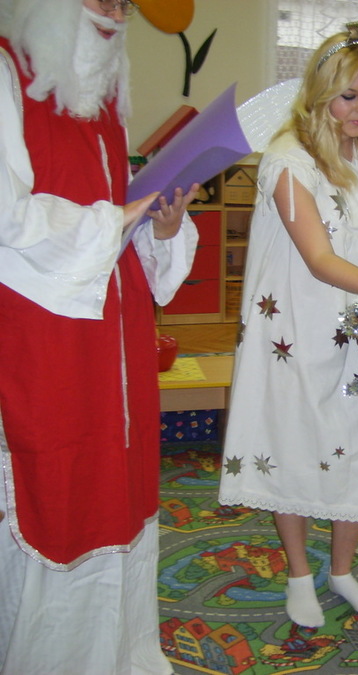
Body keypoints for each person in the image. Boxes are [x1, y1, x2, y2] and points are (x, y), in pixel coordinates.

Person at [217, 16, 358, 629]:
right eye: (348, 96)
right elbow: (319, 258)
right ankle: (299, 574)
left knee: (354, 448)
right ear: (321, 94)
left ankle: (342, 571)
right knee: (292, 446)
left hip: (354, 335)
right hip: (294, 334)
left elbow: (356, 242)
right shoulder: (289, 162)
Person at [0, 0, 200, 672]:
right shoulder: (5, 72)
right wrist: (116, 220)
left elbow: (120, 220)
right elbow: (8, 217)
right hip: (44, 341)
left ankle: (117, 656)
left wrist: (159, 225)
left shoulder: (105, 104)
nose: (114, 9)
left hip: (117, 338)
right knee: (56, 496)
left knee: (118, 485)